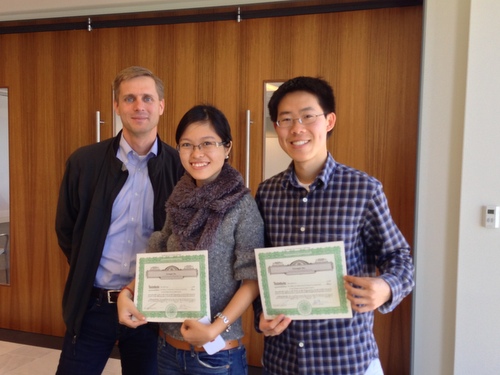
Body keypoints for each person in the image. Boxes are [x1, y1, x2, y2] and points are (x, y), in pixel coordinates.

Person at [254, 76, 415, 375]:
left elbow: (400, 259)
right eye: (286, 119)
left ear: (329, 121)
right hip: (282, 361)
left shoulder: (363, 190)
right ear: (277, 128)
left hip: (346, 359)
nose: (297, 128)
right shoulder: (266, 193)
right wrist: (258, 316)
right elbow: (257, 269)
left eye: (307, 116)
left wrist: (385, 287)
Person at [55, 66, 184, 375]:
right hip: (93, 305)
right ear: (116, 106)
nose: (139, 106)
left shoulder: (181, 168)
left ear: (161, 105)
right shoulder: (84, 162)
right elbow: (66, 229)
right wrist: (87, 265)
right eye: (129, 98)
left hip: (151, 307)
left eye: (147, 98)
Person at [118, 104, 264, 375]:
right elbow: (161, 261)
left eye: (207, 143)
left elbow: (252, 279)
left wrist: (214, 329)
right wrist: (128, 292)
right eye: (187, 145)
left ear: (227, 147)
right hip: (167, 349)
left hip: (217, 355)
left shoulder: (241, 205)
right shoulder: (179, 199)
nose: (196, 154)